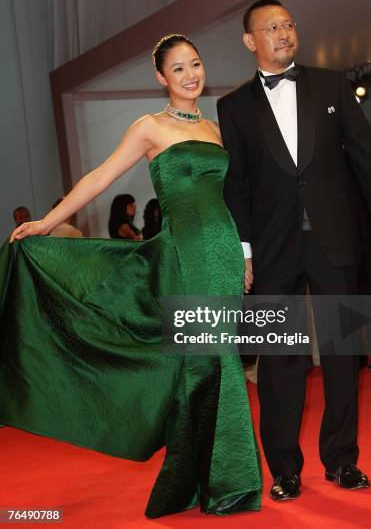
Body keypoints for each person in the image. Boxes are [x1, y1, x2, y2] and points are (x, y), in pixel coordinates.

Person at [0, 34, 261, 518]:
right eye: (179, 69)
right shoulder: (149, 127)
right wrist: (48, 222)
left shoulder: (213, 130)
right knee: (209, 362)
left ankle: (201, 483)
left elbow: (229, 200)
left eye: (196, 64)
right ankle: (227, 483)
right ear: (162, 77)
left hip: (222, 251)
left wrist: (243, 257)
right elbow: (100, 177)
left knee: (209, 361)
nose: (191, 75)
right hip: (184, 255)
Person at [217, 0, 371, 502]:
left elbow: (366, 150)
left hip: (336, 241)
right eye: (271, 27)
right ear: (249, 41)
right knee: (282, 359)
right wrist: (244, 251)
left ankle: (343, 460)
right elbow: (236, 185)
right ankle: (284, 469)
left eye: (288, 24)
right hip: (274, 247)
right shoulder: (233, 107)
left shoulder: (330, 84)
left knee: (345, 352)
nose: (283, 33)